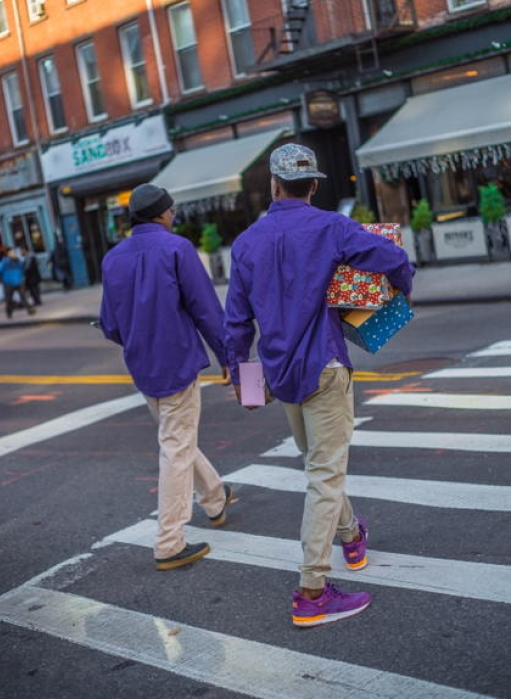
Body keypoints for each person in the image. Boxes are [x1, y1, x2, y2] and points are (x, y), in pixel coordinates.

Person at [224, 143, 415, 628]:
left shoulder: (246, 242)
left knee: (319, 466)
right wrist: (404, 284)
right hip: (325, 365)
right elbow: (392, 258)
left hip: (282, 373)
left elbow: (237, 322)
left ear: (272, 185)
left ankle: (352, 538)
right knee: (325, 476)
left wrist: (237, 373)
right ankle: (312, 590)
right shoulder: (332, 226)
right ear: (312, 186)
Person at [99, 184, 233, 571]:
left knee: (177, 438)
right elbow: (206, 308)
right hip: (177, 361)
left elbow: (110, 324)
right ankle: (169, 541)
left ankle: (215, 497)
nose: (174, 216)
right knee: (176, 446)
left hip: (142, 364)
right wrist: (228, 356)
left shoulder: (112, 259)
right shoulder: (177, 248)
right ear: (161, 214)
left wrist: (135, 338)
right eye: (172, 211)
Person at [0, 248, 36, 320]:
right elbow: (23, 269)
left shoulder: (10, 262)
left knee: (15, 298)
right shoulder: (12, 262)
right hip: (14, 282)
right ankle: (24, 310)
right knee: (17, 298)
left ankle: (13, 312)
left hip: (13, 282)